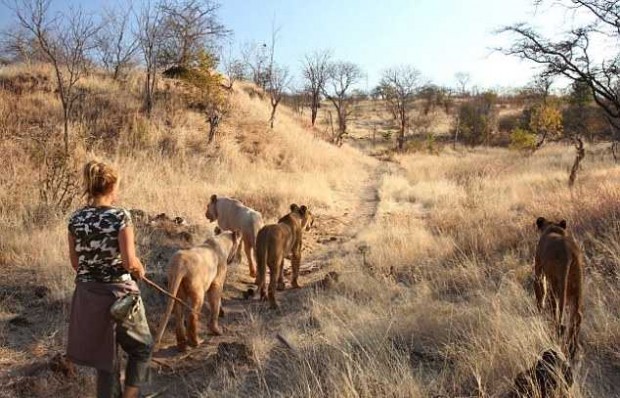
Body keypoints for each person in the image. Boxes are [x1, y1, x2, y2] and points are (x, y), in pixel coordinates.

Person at [67, 160, 153, 398]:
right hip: (119, 296)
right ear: (111, 186)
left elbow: (76, 264)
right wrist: (140, 268)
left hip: (87, 296)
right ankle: (130, 396)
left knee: (106, 359)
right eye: (118, 186)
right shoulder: (120, 216)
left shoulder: (75, 219)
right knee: (143, 347)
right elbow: (129, 262)